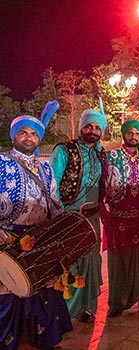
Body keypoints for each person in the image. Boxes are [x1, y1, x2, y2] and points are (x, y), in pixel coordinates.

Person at [0, 102, 73, 350]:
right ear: (14, 136)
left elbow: (53, 199)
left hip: (41, 239)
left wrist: (60, 228)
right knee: (9, 294)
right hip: (7, 240)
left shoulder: (45, 167)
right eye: (23, 132)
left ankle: (43, 341)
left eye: (34, 133)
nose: (28, 138)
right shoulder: (2, 163)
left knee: (43, 293)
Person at [99, 112, 139, 318]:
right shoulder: (111, 156)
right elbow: (101, 185)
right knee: (118, 262)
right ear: (124, 135)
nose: (134, 136)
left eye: (137, 133)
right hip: (117, 218)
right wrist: (103, 211)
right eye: (130, 133)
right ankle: (116, 302)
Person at [49, 101, 107, 323]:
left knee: (91, 262)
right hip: (69, 216)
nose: (92, 131)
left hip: (92, 217)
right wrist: (60, 215)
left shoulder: (100, 154)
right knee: (70, 263)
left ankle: (85, 307)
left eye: (97, 128)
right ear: (81, 127)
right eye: (88, 126)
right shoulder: (64, 150)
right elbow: (52, 183)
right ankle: (65, 310)